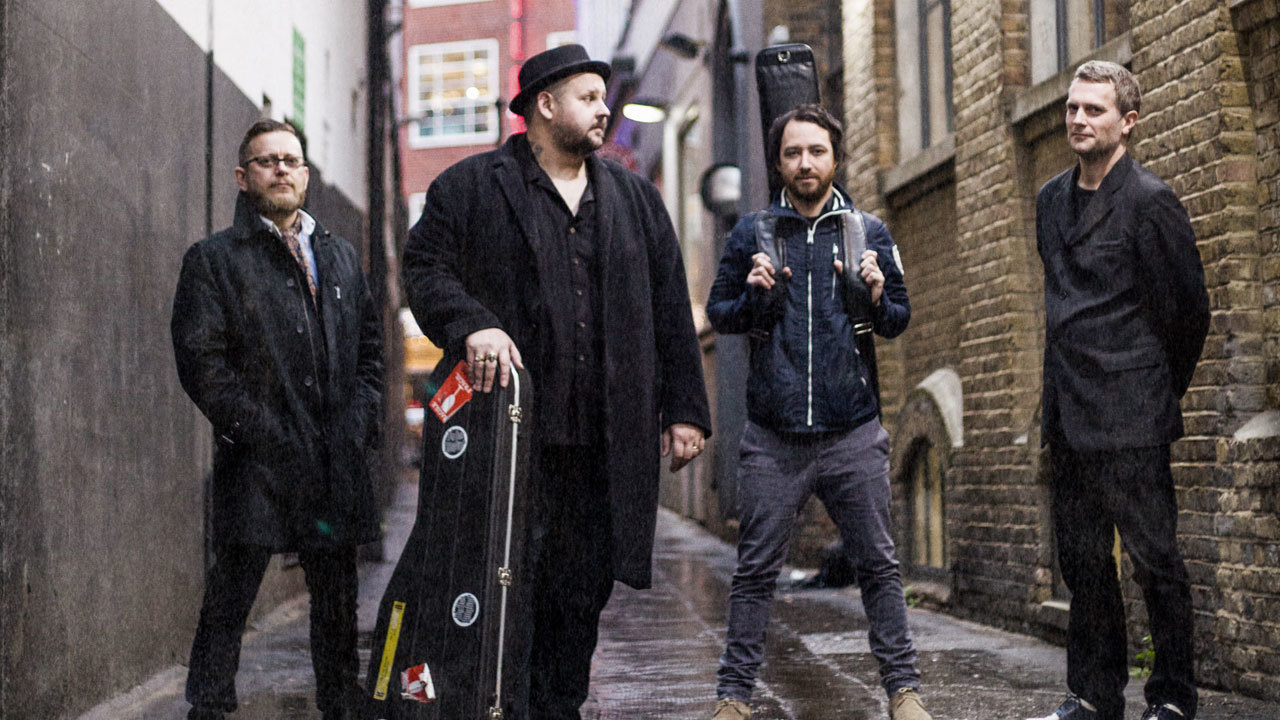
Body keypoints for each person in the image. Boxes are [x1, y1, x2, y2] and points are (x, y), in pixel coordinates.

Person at [401, 44, 711, 719]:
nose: (605, 111)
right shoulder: (471, 187)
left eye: (604, 99)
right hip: (510, 447)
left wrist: (685, 409)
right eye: (590, 98)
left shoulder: (633, 197)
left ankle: (559, 706)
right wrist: (471, 325)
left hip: (603, 446)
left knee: (582, 593)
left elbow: (668, 304)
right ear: (545, 105)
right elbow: (423, 269)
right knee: (505, 588)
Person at [707, 104, 930, 720]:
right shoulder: (754, 233)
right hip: (773, 436)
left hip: (852, 430)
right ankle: (734, 697)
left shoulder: (869, 232)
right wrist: (754, 298)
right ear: (779, 163)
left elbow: (898, 321)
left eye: (816, 152)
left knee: (880, 566)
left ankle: (903, 692)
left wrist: (878, 293)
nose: (805, 163)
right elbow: (719, 313)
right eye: (792, 153)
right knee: (754, 571)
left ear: (835, 157)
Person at [171, 119, 383, 720]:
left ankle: (340, 701)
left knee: (337, 595)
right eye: (267, 161)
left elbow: (370, 352)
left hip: (333, 458)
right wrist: (259, 432)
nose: (281, 170)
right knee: (233, 589)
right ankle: (208, 706)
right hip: (259, 459)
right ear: (243, 178)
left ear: (307, 175)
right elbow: (201, 363)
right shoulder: (213, 261)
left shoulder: (339, 257)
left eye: (291, 160)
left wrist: (360, 420)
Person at [1027, 61, 1209, 720]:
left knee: (1155, 563)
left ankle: (1173, 699)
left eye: (1094, 111)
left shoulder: (1150, 200)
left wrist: (1153, 389)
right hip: (1069, 413)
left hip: (1132, 416)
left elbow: (1188, 312)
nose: (1078, 119)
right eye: (1073, 108)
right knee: (1084, 565)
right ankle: (1094, 697)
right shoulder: (1049, 199)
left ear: (1127, 122)